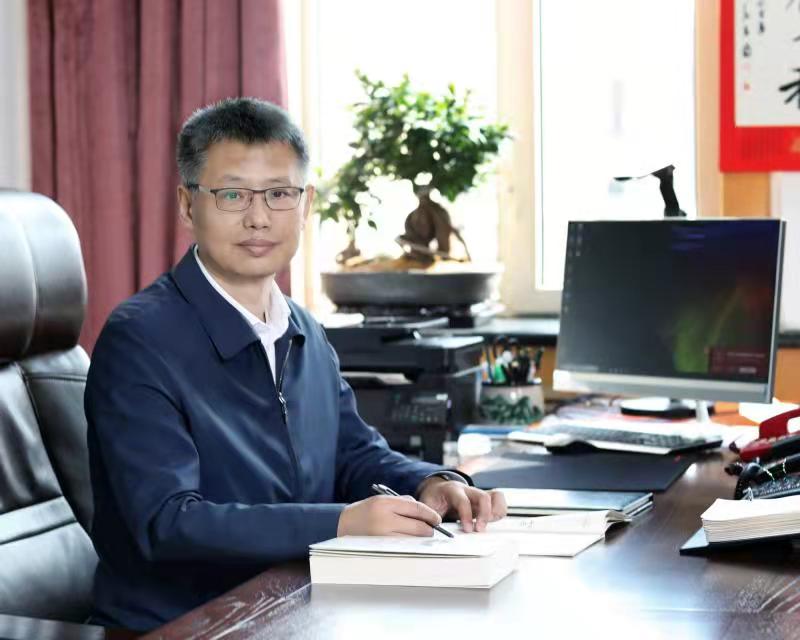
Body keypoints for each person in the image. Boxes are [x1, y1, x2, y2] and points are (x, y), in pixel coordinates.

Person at [85, 97, 507, 632]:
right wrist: (342, 522)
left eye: (280, 194)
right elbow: (167, 522)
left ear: (305, 205)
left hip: (298, 607)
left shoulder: (302, 327)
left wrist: (431, 482)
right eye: (232, 194)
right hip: (184, 625)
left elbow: (351, 454)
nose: (259, 217)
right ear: (188, 206)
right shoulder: (140, 339)